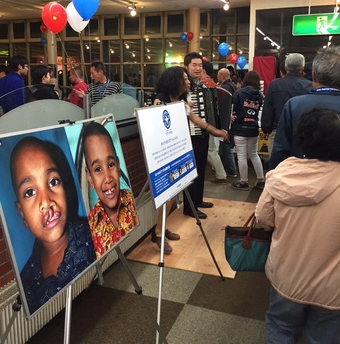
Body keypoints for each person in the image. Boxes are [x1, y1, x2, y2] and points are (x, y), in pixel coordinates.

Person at [255, 108, 340, 344]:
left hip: (287, 275)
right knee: (323, 341)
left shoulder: (282, 172)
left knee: (280, 326)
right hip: (333, 285)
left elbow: (263, 218)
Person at [10, 136, 96, 314]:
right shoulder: (26, 281)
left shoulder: (93, 235)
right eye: (30, 192)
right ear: (22, 214)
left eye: (53, 182)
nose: (46, 201)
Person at [152, 65, 228, 251]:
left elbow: (195, 119)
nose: (188, 82)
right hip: (163, 154)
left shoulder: (182, 98)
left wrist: (216, 131)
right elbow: (157, 123)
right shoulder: (160, 100)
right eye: (184, 79)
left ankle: (160, 229)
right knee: (166, 195)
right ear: (175, 81)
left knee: (173, 193)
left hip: (176, 151)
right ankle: (159, 233)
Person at [270, 46, 340, 169]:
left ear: (313, 76)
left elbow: (281, 150)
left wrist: (274, 178)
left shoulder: (294, 105)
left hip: (299, 179)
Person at [82, 121, 139, 258]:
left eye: (111, 164)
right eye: (98, 169)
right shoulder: (89, 227)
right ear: (89, 177)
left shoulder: (131, 202)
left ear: (118, 166)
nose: (107, 178)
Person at [261, 53, 312, 157]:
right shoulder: (310, 86)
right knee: (300, 168)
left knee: (278, 168)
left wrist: (266, 128)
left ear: (286, 67)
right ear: (302, 67)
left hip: (278, 130)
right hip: (303, 133)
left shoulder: (275, 84)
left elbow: (268, 109)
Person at [183, 53, 214, 219]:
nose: (198, 68)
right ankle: (190, 207)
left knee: (201, 168)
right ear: (187, 66)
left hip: (201, 133)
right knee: (192, 171)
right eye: (194, 65)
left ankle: (198, 200)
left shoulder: (198, 85)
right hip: (190, 135)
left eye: (200, 65)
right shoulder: (183, 84)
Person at [230, 70, 265, 190]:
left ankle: (243, 181)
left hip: (240, 127)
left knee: (241, 156)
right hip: (253, 128)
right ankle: (261, 179)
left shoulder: (239, 93)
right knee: (254, 154)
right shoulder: (259, 96)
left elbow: (233, 108)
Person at [200, 60, 227, 183]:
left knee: (210, 150)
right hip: (213, 123)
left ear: (203, 70)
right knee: (212, 149)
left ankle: (221, 174)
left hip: (204, 123)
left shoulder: (201, 85)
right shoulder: (215, 85)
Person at [217, 68, 238, 178]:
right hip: (232, 120)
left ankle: (231, 169)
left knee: (225, 144)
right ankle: (226, 168)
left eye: (218, 75)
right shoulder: (234, 86)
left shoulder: (224, 88)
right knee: (226, 144)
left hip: (226, 121)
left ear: (222, 76)